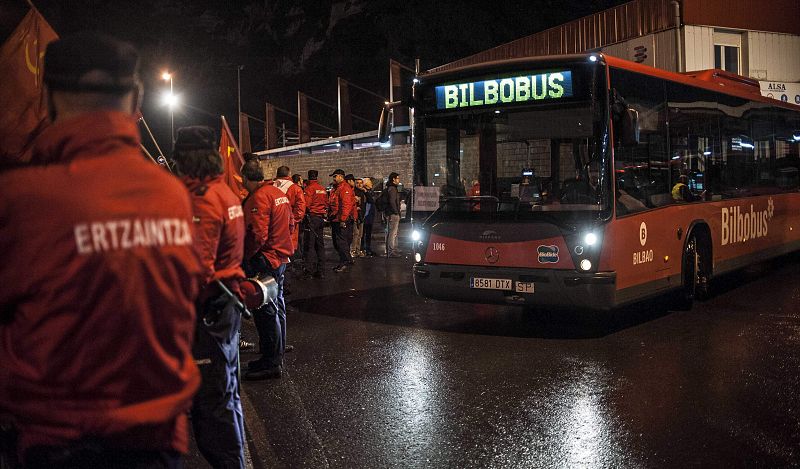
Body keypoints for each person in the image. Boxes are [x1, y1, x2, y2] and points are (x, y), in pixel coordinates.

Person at [0, 33, 201, 467]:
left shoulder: (19, 199)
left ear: (48, 97)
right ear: (137, 98)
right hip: (158, 438)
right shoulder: (172, 194)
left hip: (58, 441)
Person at [172, 126, 248, 468]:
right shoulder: (224, 192)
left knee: (211, 403)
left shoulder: (201, 199)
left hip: (207, 309)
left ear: (184, 160)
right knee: (226, 394)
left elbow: (195, 269)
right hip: (225, 305)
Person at [241, 159, 293, 380]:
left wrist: (244, 257)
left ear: (245, 178)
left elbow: (257, 235)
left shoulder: (259, 197)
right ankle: (275, 354)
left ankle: (271, 362)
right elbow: (291, 223)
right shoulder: (276, 193)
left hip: (266, 259)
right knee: (276, 306)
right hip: (280, 257)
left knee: (265, 311)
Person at [271, 165, 306, 267]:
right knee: (287, 252)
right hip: (289, 226)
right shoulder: (295, 188)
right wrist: (293, 221)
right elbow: (300, 209)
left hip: (273, 225)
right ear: (289, 174)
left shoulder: (271, 186)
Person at [329, 168, 356, 272]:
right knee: (338, 242)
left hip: (341, 220)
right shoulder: (336, 188)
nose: (334, 178)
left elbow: (346, 205)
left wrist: (343, 220)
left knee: (341, 243)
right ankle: (347, 260)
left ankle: (344, 262)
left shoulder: (344, 188)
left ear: (341, 176)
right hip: (335, 219)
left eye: (335, 176)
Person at [303, 170, 328, 277]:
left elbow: (306, 205)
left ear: (309, 177)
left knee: (310, 245)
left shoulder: (309, 189)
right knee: (320, 244)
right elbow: (326, 203)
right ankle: (321, 270)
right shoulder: (322, 189)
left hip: (312, 218)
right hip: (320, 218)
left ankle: (309, 270)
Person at [386, 172, 402, 257]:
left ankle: (394, 249)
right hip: (393, 214)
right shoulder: (392, 189)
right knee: (392, 233)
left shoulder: (392, 188)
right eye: (398, 178)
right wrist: (396, 211)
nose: (399, 180)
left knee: (394, 233)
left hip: (392, 213)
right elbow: (392, 201)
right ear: (394, 179)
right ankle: (391, 251)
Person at [350, 176, 367, 258]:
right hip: (356, 216)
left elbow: (369, 201)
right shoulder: (354, 192)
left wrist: (366, 191)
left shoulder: (363, 192)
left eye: (361, 183)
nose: (359, 185)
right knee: (355, 234)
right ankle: (352, 250)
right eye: (358, 183)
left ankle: (358, 250)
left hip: (362, 216)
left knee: (360, 235)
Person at [361, 177, 377, 257]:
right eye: (370, 182)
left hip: (369, 216)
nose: (371, 183)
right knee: (363, 234)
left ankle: (368, 249)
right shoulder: (364, 192)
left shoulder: (369, 191)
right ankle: (363, 249)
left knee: (368, 234)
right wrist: (366, 192)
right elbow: (371, 200)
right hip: (366, 216)